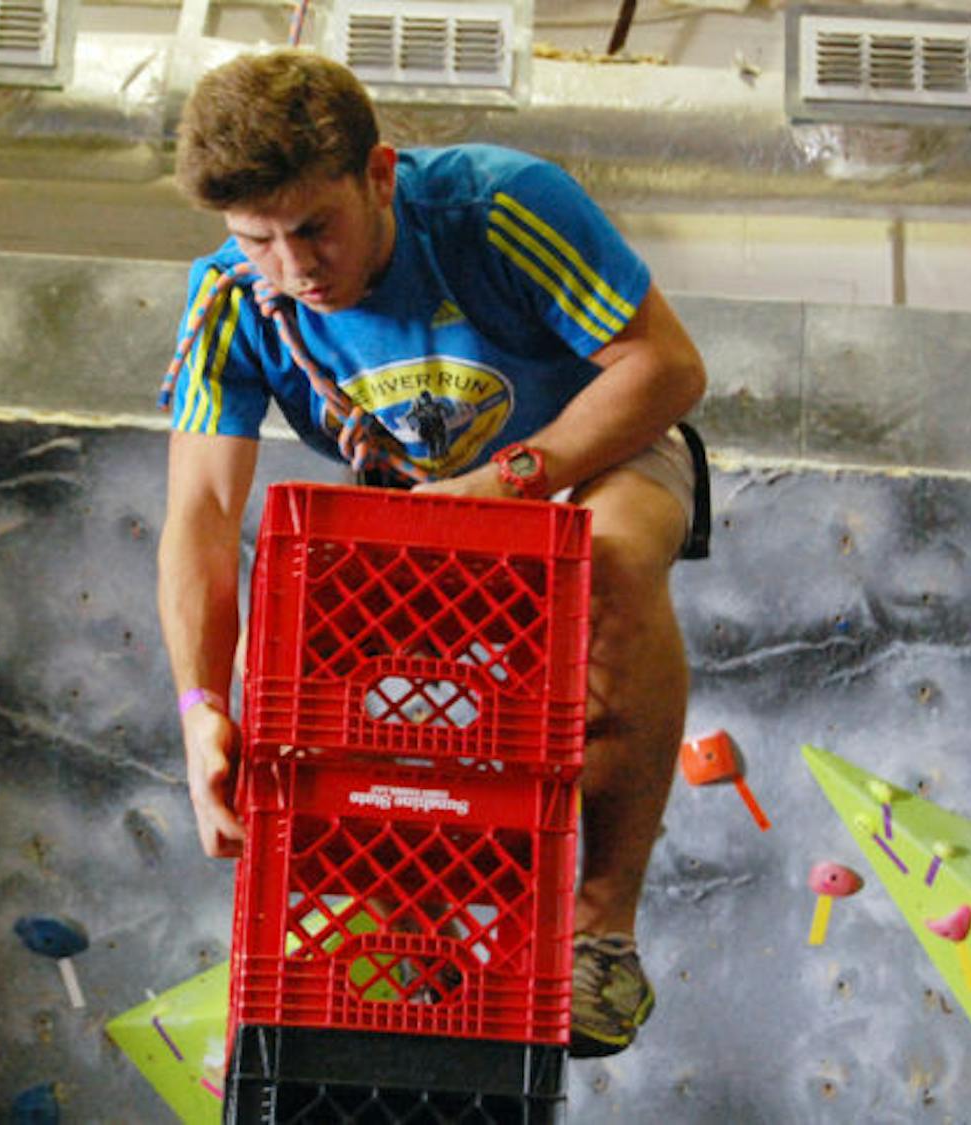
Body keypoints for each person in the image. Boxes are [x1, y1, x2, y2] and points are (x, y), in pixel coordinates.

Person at [156, 49, 707, 1059]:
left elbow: (666, 368)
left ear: (379, 175)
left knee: (611, 561)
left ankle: (603, 935)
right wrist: (199, 715)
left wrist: (508, 484)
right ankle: (395, 947)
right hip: (416, 501)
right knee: (298, 646)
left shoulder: (499, 205)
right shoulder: (231, 297)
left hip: (593, 451)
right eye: (256, 239)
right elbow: (199, 510)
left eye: (315, 227)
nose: (295, 268)